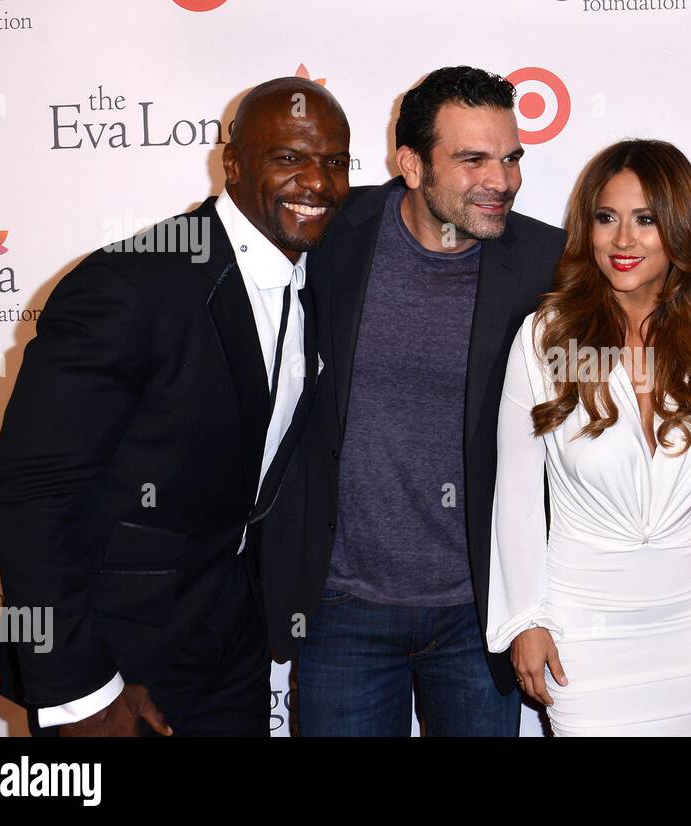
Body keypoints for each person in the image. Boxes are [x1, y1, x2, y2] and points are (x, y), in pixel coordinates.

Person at [0, 77, 350, 736]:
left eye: (335, 161)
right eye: (288, 158)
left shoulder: (310, 278)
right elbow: (29, 492)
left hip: (226, 641)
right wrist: (83, 696)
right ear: (232, 164)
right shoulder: (132, 285)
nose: (318, 182)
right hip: (114, 653)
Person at [261, 67, 565, 736]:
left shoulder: (546, 261)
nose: (502, 179)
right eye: (473, 159)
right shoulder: (336, 234)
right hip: (342, 605)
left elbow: (638, 366)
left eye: (511, 157)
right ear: (410, 164)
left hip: (481, 610)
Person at [486, 139, 691, 736]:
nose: (622, 240)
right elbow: (516, 497)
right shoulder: (547, 337)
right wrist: (526, 620)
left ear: (679, 227)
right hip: (584, 628)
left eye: (645, 219)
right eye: (606, 218)